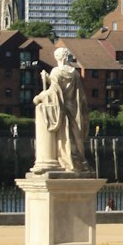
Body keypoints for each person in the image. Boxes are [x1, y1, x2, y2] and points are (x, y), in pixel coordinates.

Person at [33, 46, 92, 174]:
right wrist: (49, 79)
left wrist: (39, 97)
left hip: (62, 109)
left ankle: (66, 161)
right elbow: (79, 95)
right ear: (67, 57)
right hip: (74, 109)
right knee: (75, 137)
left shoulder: (56, 72)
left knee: (64, 137)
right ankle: (78, 160)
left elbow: (54, 92)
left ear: (58, 58)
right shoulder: (75, 73)